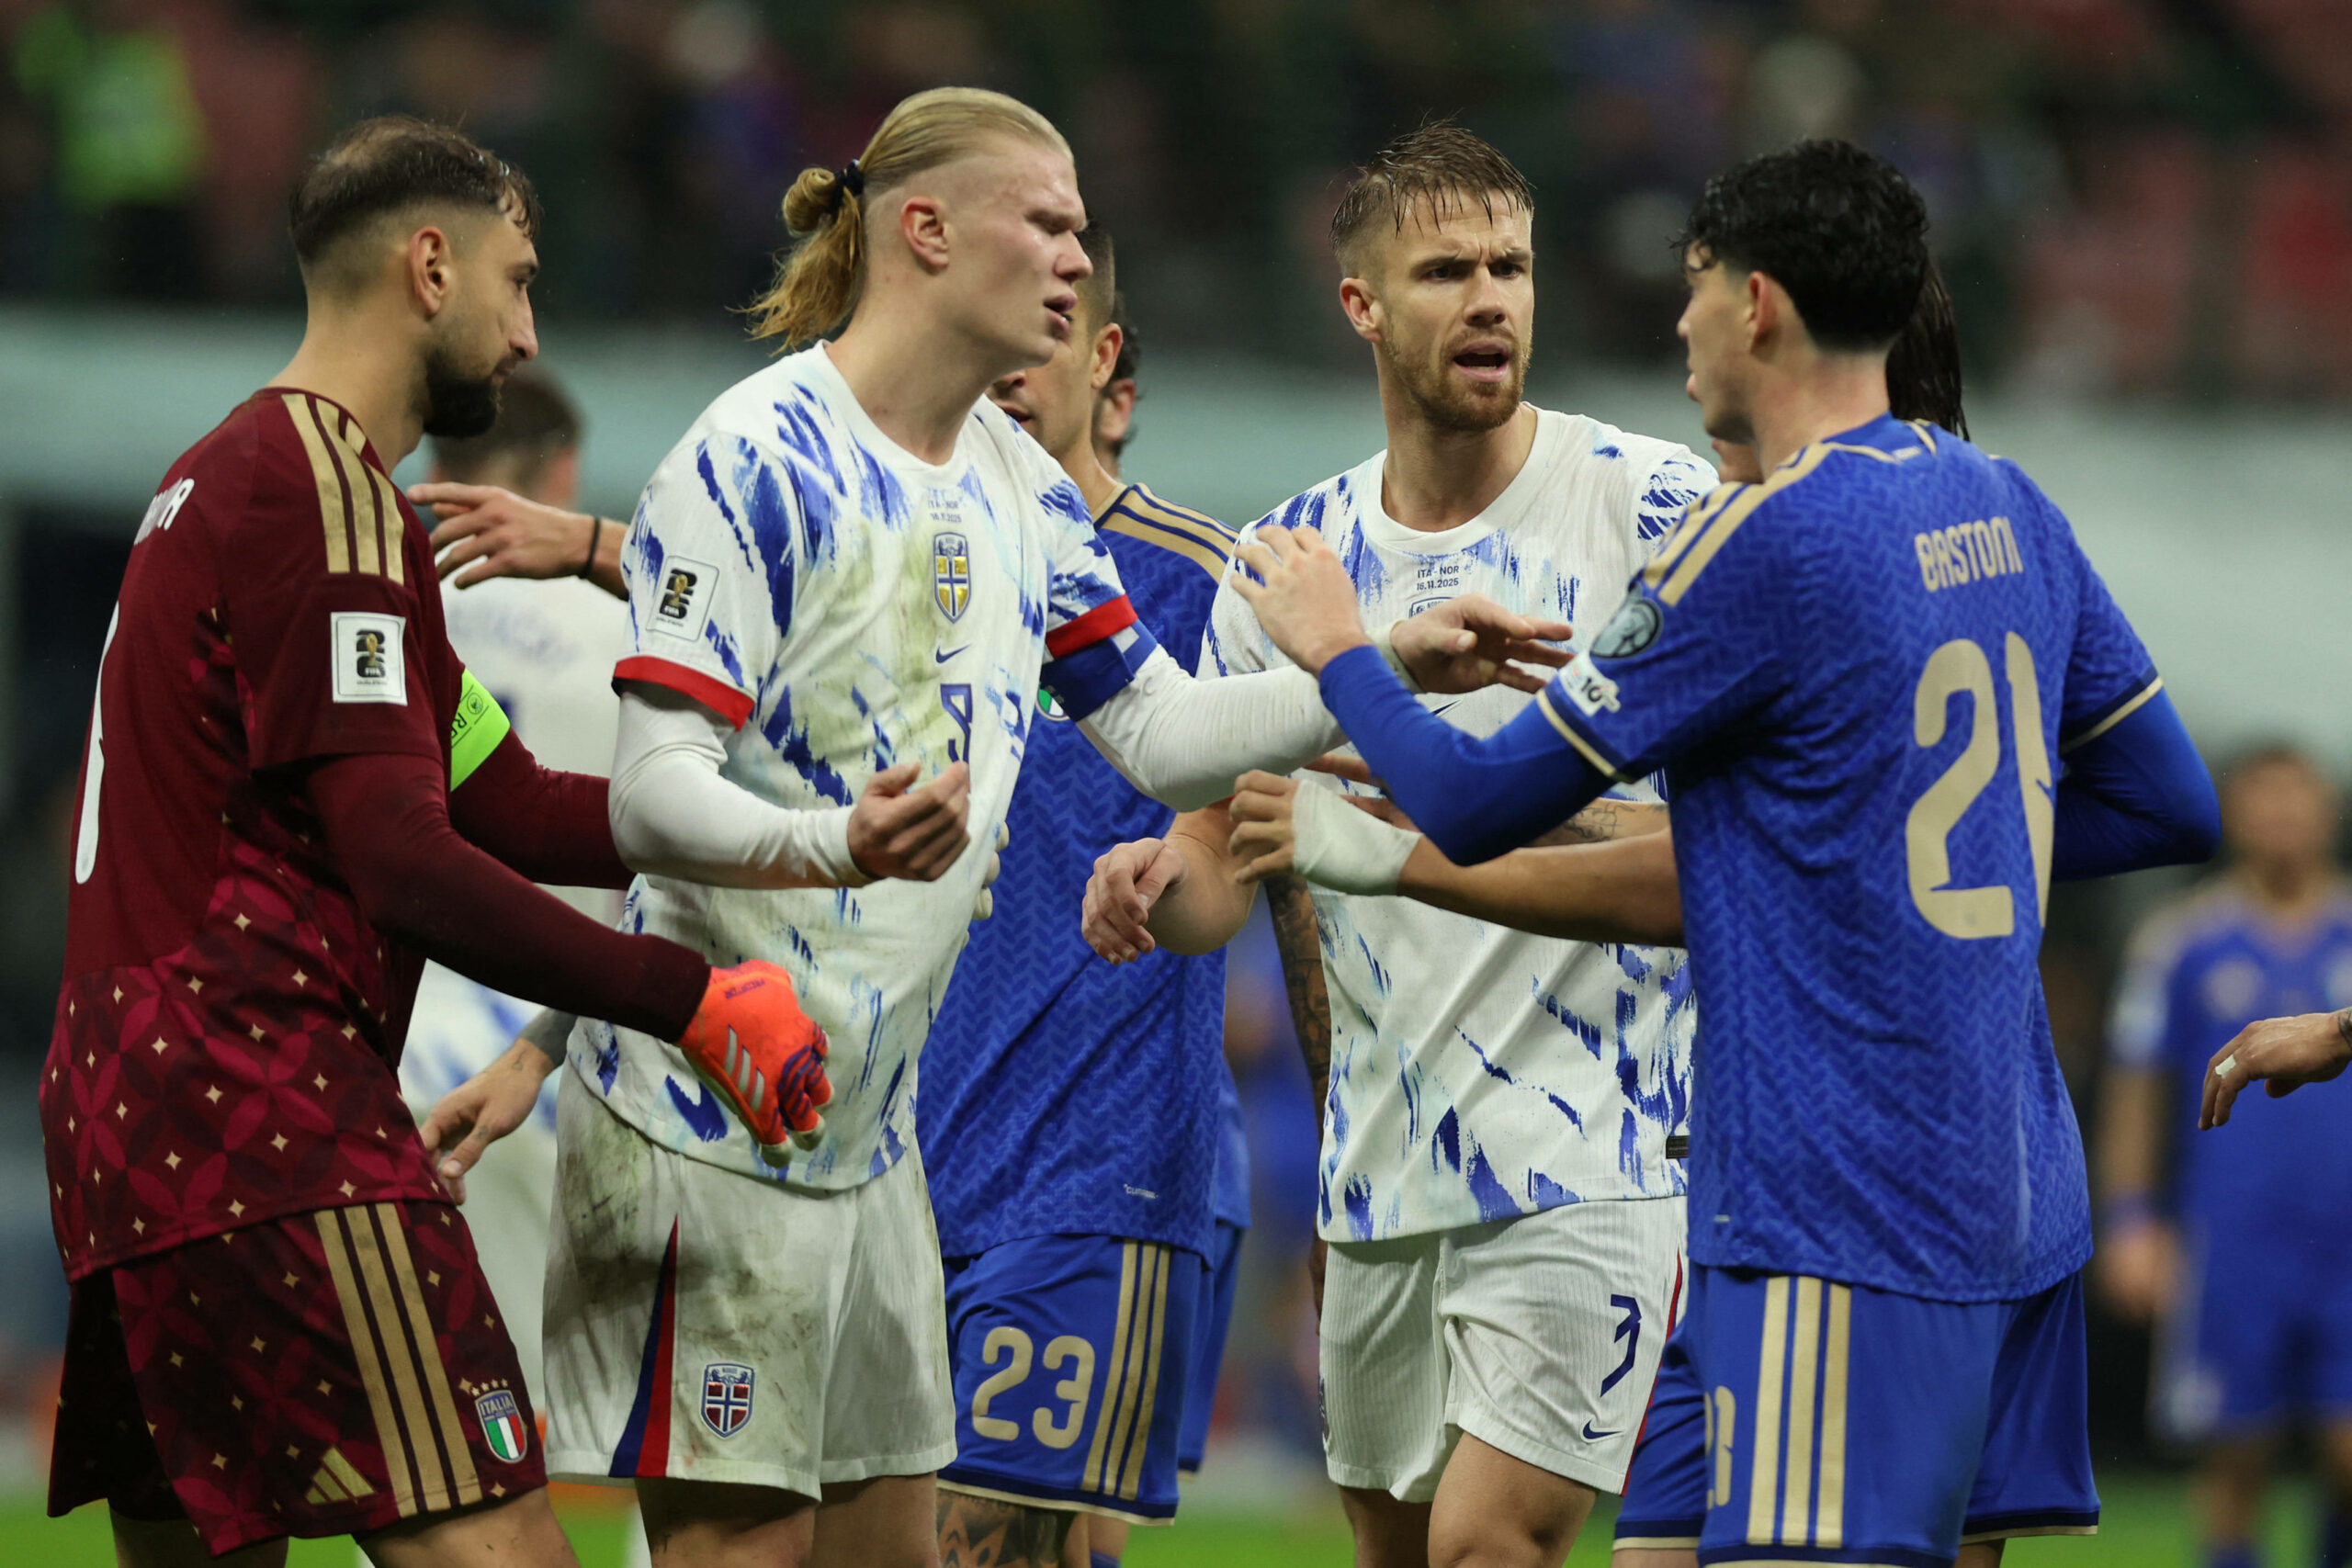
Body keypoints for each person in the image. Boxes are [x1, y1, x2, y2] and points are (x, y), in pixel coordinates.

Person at [424, 87, 1566, 1568]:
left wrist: (1381, 663)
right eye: (1050, 223)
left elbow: (1158, 728)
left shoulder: (1019, 484)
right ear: (928, 231)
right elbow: (648, 796)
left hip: (875, 1142)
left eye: (1082, 230)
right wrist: (838, 843)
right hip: (713, 1127)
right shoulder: (752, 452)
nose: (1079, 257)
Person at [1218, 139, 2222, 1568]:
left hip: (1840, 1200)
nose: (1677, 324)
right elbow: (2171, 802)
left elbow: (1476, 797)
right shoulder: (2008, 504)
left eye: (1690, 287)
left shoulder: (1758, 541)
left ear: (1755, 304)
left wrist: (1339, 652)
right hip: (2008, 1175)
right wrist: (1862, 859)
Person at [40, 116, 843, 1568]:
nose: (527, 334)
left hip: (129, 1116)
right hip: (263, 1110)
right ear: (430, 266)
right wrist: (689, 998)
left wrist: (789, 841)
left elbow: (506, 796)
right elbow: (405, 857)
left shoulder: (234, 484)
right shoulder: (321, 493)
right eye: (517, 282)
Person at [1083, 124, 1714, 1568]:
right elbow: (1221, 850)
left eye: (1511, 266)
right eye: (1445, 272)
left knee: (1490, 1544)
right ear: (1361, 304)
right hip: (1379, 1168)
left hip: (1600, 1145)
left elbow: (1716, 847)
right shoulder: (1291, 559)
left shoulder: (1649, 505)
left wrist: (1420, 804)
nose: (1490, 298)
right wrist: (1159, 883)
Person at [918, 222, 1282, 1568]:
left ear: (1103, 358)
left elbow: (1269, 866)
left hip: (1094, 1162)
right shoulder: (910, 564)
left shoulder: (1205, 577)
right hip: (899, 1158)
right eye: (986, 330)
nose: (1012, 363)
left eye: (1048, 330)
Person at [2099, 746, 2352, 1568]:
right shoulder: (2183, 939)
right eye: (2262, 797)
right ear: (2233, 814)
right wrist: (2132, 1217)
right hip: (2233, 1233)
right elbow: (2137, 1084)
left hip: (2346, 1235)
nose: (2281, 815)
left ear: (2328, 811)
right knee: (2235, 1454)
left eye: (2296, 796)